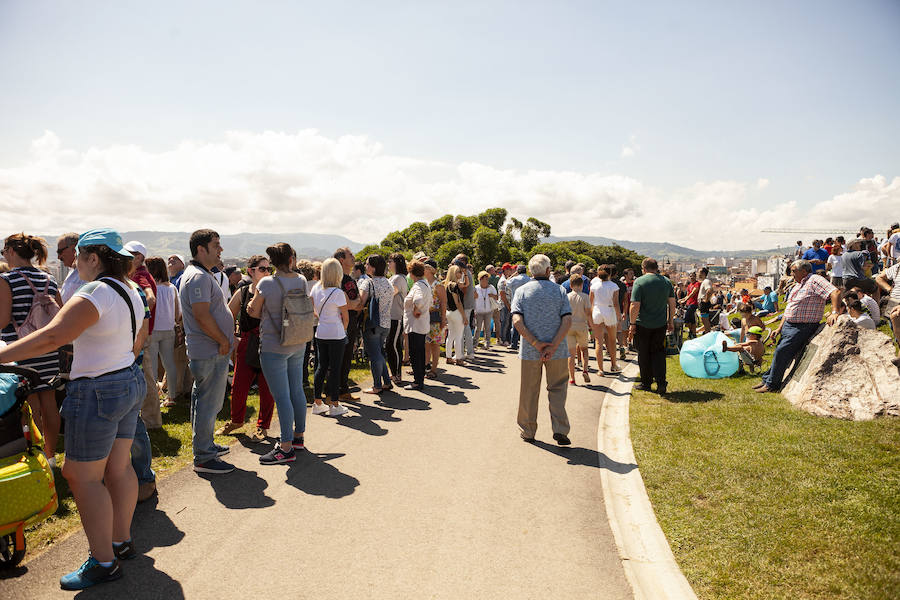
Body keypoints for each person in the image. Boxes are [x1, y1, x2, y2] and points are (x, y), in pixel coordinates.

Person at [0, 228, 147, 589]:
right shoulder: (130, 289)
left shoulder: (95, 291)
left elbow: (53, 336)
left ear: (93, 258)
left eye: (80, 257)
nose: (76, 264)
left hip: (97, 388)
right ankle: (119, 541)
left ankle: (103, 561)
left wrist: (1, 356)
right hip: (126, 379)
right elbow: (137, 337)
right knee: (119, 466)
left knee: (81, 476)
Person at [0, 233, 63, 463]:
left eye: (4, 251)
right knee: (49, 402)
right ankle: (51, 456)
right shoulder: (49, 279)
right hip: (47, 349)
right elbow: (60, 314)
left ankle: (36, 456)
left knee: (29, 405)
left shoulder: (7, 280)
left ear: (12, 252)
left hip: (19, 348)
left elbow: (3, 319)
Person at [246, 243, 309, 465]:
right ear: (291, 259)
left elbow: (253, 311)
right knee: (296, 391)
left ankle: (285, 447)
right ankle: (298, 437)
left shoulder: (266, 283)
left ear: (272, 262)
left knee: (281, 397)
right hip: (297, 341)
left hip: (274, 345)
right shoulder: (300, 280)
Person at [180, 229, 235, 474]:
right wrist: (223, 340)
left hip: (209, 349)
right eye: (216, 245)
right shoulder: (199, 277)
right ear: (200, 249)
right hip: (210, 350)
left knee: (204, 401)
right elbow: (202, 316)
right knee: (208, 403)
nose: (220, 250)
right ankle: (203, 455)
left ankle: (205, 445)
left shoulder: (201, 275)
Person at [754, 260, 842, 394]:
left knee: (781, 352)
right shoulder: (797, 285)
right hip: (789, 325)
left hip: (803, 326)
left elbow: (835, 292)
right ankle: (767, 380)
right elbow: (789, 308)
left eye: (794, 270)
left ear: (804, 271)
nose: (791, 273)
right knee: (779, 351)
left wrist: (835, 312)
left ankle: (772, 384)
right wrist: (779, 328)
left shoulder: (814, 280)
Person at [511, 254, 572, 445]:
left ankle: (528, 430)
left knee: (529, 390)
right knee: (558, 389)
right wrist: (553, 344)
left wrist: (536, 343)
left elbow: (517, 321)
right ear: (548, 271)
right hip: (558, 350)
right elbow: (567, 319)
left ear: (530, 271)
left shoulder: (521, 292)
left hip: (530, 350)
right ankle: (560, 429)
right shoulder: (560, 291)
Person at [220, 255, 275, 440]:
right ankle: (236, 421)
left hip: (269, 343)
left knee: (267, 388)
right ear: (251, 271)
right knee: (238, 386)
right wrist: (233, 337)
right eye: (263, 269)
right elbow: (228, 314)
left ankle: (263, 426)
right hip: (246, 342)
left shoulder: (273, 291)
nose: (267, 272)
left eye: (269, 269)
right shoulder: (243, 292)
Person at [125, 241, 161, 430]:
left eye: (129, 254)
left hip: (142, 335)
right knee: (146, 377)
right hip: (144, 333)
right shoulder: (140, 274)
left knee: (146, 378)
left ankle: (151, 420)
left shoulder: (140, 276)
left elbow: (150, 298)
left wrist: (138, 319)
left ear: (139, 257)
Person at [628, 258, 676, 395]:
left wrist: (632, 324)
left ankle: (646, 382)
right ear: (656, 268)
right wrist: (670, 321)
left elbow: (634, 305)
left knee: (643, 354)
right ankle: (661, 383)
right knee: (659, 353)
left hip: (642, 323)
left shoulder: (640, 281)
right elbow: (672, 304)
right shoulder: (666, 282)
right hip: (660, 324)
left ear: (644, 268)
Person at [311, 258, 351, 416]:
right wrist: (344, 330)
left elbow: (313, 309)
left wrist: (322, 318)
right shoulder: (338, 293)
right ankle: (334, 404)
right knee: (335, 369)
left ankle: (317, 402)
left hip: (321, 332)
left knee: (321, 367)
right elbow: (345, 317)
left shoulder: (316, 288)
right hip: (336, 333)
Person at [144, 257, 179, 411]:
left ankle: (154, 396)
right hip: (169, 329)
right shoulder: (171, 288)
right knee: (169, 364)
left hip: (152, 330)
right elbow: (178, 312)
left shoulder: (150, 289)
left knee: (151, 366)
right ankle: (171, 396)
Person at [358, 254, 395, 394]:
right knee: (379, 353)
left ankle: (377, 386)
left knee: (374, 356)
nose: (365, 266)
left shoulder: (369, 283)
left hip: (373, 323)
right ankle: (386, 381)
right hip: (386, 323)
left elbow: (361, 302)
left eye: (367, 264)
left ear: (373, 268)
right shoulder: (388, 283)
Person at [334, 247, 363, 402]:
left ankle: (343, 390)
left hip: (349, 321)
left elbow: (357, 302)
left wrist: (352, 304)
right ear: (341, 260)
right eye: (350, 255)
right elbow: (348, 304)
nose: (353, 257)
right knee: (339, 358)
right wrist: (352, 304)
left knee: (346, 358)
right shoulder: (338, 279)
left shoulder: (349, 279)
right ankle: (336, 391)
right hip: (341, 322)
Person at [403, 260, 432, 391]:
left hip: (415, 325)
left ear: (412, 273)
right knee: (419, 353)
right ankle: (419, 380)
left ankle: (417, 381)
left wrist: (416, 309)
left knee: (415, 354)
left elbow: (418, 300)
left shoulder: (417, 286)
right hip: (422, 324)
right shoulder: (425, 284)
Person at [589, 267, 622, 374]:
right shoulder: (614, 286)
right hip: (609, 310)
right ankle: (613, 365)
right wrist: (619, 315)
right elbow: (616, 303)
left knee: (598, 341)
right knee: (612, 340)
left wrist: (590, 316)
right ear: (610, 274)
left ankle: (600, 369)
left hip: (597, 311)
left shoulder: (594, 286)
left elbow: (591, 302)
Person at [565, 273, 593, 384]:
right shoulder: (585, 297)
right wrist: (591, 328)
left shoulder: (567, 297)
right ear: (581, 285)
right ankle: (585, 369)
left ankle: (572, 378)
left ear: (571, 285)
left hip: (570, 327)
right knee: (584, 350)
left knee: (571, 354)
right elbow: (588, 314)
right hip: (582, 326)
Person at [385, 253, 408, 385]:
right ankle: (395, 372)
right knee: (394, 345)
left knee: (392, 345)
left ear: (397, 263)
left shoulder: (398, 278)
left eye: (390, 261)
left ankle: (397, 374)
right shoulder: (396, 277)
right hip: (393, 316)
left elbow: (390, 293)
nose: (388, 264)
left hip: (396, 316)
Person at [422, 259, 447, 379]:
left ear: (430, 270)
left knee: (435, 344)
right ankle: (425, 365)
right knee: (425, 343)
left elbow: (443, 303)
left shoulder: (439, 285)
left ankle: (434, 369)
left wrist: (443, 319)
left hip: (435, 317)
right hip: (424, 317)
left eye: (425, 268)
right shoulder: (424, 283)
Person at [443, 264, 466, 366]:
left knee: (451, 335)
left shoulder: (447, 285)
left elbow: (465, 284)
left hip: (449, 312)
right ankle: (459, 358)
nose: (460, 273)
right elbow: (458, 302)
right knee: (458, 336)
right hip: (456, 312)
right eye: (458, 272)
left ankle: (449, 357)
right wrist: (464, 316)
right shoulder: (454, 286)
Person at [506, 265, 532, 350]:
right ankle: (526, 344)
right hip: (528, 304)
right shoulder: (530, 280)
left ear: (517, 271)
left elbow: (506, 283)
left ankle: (514, 344)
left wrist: (513, 275)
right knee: (527, 325)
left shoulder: (514, 279)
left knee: (516, 324)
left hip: (516, 303)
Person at [57, 232, 86, 303]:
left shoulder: (88, 273)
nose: (59, 257)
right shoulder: (72, 271)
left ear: (74, 248)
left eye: (60, 252)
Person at [473, 270, 498, 349]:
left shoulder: (491, 287)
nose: (486, 280)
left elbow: (497, 297)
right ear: (480, 279)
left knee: (487, 328)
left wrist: (492, 295)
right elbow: (472, 299)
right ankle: (475, 344)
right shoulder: (476, 288)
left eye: (487, 279)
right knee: (478, 328)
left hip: (488, 311)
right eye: (485, 279)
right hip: (478, 311)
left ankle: (487, 343)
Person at [497, 263, 514, 346]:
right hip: (504, 305)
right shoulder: (502, 281)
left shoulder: (506, 279)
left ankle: (506, 339)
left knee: (507, 323)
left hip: (507, 304)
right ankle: (503, 340)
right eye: (509, 269)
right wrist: (508, 306)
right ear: (506, 270)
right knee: (505, 323)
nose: (511, 271)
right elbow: (502, 294)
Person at [697, 267, 714, 333]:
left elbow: (709, 290)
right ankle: (707, 332)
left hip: (704, 304)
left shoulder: (706, 281)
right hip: (703, 303)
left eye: (699, 272)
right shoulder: (704, 281)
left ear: (703, 273)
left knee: (705, 321)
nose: (698, 274)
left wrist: (706, 300)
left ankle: (708, 333)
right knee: (704, 320)